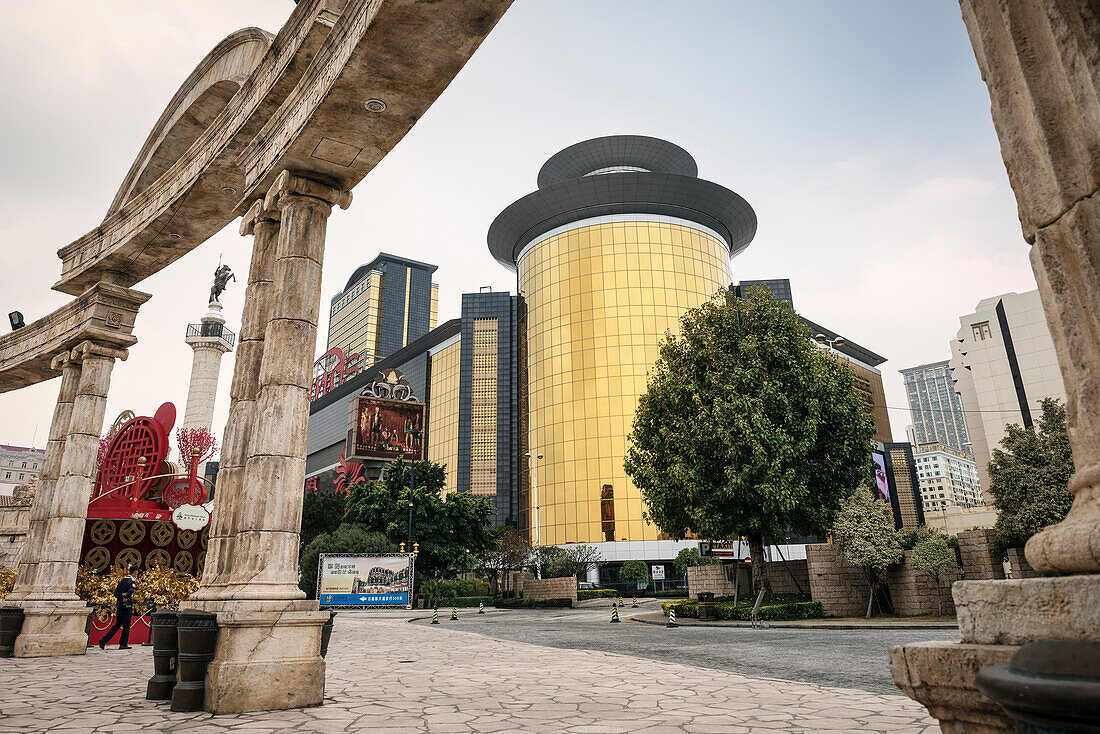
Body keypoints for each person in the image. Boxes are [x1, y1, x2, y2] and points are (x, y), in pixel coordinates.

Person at [99, 564, 140, 650]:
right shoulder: (131, 581)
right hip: (126, 606)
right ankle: (123, 644)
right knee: (126, 626)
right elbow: (131, 590)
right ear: (135, 572)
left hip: (120, 605)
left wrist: (121, 595)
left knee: (117, 625)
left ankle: (104, 640)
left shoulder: (122, 580)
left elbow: (116, 593)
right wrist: (126, 596)